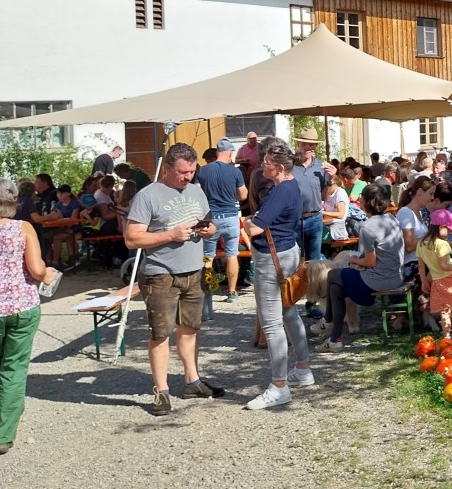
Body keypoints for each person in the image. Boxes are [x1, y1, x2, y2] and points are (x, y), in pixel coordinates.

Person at [123, 143, 224, 416]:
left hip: (193, 270)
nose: (188, 177)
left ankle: (192, 380)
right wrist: (170, 235)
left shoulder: (197, 191)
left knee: (190, 328)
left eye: (192, 171)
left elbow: (210, 223)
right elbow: (132, 239)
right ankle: (161, 390)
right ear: (168, 168)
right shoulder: (148, 196)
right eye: (182, 172)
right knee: (160, 333)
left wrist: (208, 230)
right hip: (160, 274)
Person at [0, 178, 59, 456]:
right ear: (11, 201)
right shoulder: (22, 228)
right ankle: (2, 436)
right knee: (14, 368)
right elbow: (37, 270)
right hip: (22, 308)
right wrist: (48, 273)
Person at [239, 141, 314, 409]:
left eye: (267, 162)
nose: (262, 165)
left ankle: (279, 386)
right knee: (289, 313)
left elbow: (256, 228)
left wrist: (248, 221)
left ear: (279, 168)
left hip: (272, 259)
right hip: (286, 252)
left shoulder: (280, 190)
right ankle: (303, 369)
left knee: (272, 324)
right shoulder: (291, 184)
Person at [315, 181, 406, 351]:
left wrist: (353, 260)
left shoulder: (368, 227)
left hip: (380, 279)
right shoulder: (391, 219)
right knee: (336, 288)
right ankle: (334, 338)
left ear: (366, 202)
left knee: (333, 275)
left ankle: (328, 322)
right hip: (396, 275)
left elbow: (369, 261)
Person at [194, 138, 248, 302]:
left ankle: (208, 291)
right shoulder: (235, 172)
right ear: (230, 153)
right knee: (232, 255)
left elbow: (197, 193)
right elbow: (243, 195)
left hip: (210, 219)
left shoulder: (202, 171)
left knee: (208, 256)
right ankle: (232, 292)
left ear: (217, 152)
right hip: (231, 217)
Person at [417, 209, 452, 340]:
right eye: (449, 230)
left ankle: (446, 336)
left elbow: (421, 266)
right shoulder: (442, 244)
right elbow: (444, 265)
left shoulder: (421, 243)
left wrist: (424, 281)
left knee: (444, 310)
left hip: (437, 281)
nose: (450, 232)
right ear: (441, 227)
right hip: (450, 279)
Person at [292, 128, 334, 262]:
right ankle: (298, 283)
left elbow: (324, 197)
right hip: (294, 218)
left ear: (315, 146)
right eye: (304, 144)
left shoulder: (321, 166)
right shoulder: (290, 165)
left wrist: (331, 179)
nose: (308, 147)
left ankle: (313, 284)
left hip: (315, 218)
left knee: (314, 260)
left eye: (311, 144)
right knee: (295, 258)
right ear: (299, 144)